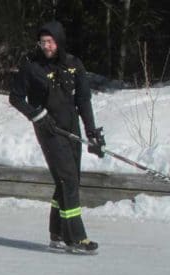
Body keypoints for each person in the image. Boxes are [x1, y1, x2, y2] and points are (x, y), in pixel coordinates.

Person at [9, 20, 106, 254]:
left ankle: (57, 233)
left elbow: (83, 100)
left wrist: (92, 132)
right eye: (43, 42)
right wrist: (37, 115)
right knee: (68, 181)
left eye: (50, 41)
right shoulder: (32, 68)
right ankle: (76, 238)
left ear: (59, 41)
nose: (46, 46)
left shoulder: (74, 65)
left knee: (67, 181)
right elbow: (15, 97)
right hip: (49, 131)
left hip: (71, 128)